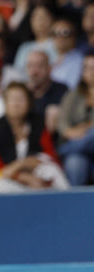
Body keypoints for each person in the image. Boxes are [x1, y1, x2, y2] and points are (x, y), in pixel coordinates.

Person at [0, 82, 67, 194]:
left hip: (37, 174)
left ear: (29, 103)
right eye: (12, 99)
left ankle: (69, 202)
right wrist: (23, 175)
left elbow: (49, 157)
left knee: (52, 170)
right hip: (12, 181)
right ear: (5, 103)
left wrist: (26, 163)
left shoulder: (38, 124)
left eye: (21, 99)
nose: (16, 104)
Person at [57, 51, 94, 186]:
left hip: (82, 140)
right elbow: (62, 124)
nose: (91, 72)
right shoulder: (72, 95)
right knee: (75, 162)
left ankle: (65, 150)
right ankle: (76, 205)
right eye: (87, 68)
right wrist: (71, 132)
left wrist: (86, 129)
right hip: (77, 143)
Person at [26, 50, 68, 135]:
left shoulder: (62, 90)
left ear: (49, 68)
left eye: (40, 66)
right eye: (31, 66)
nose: (35, 71)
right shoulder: (24, 92)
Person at [50, 16, 83, 90]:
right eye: (55, 33)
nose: (60, 37)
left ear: (74, 36)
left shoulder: (80, 60)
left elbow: (72, 88)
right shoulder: (46, 55)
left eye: (65, 33)